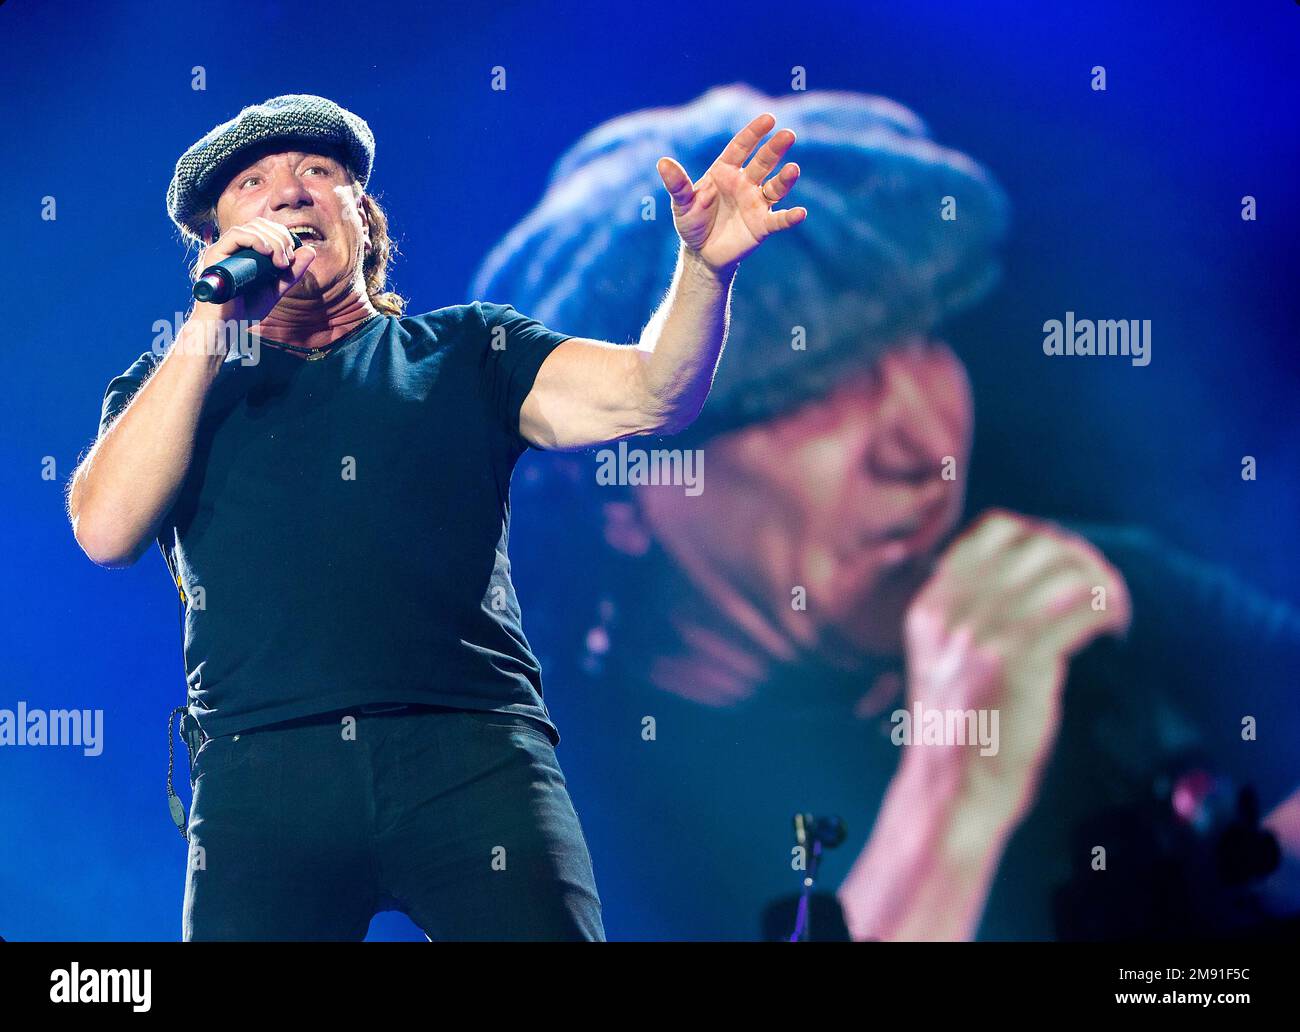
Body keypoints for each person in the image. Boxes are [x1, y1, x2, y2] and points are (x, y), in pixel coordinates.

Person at [473, 84, 1300, 940]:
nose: (922, 445)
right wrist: (957, 787)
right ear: (620, 492)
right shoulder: (549, 804)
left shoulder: (1082, 596)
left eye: (923, 340)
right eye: (817, 390)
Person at [64, 93, 808, 941]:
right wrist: (208, 324)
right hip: (262, 767)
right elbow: (104, 529)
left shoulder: (468, 351)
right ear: (214, 242)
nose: (290, 192)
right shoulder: (177, 386)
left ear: (364, 218)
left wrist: (705, 271)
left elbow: (653, 395)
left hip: (472, 752)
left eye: (318, 173)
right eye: (253, 183)